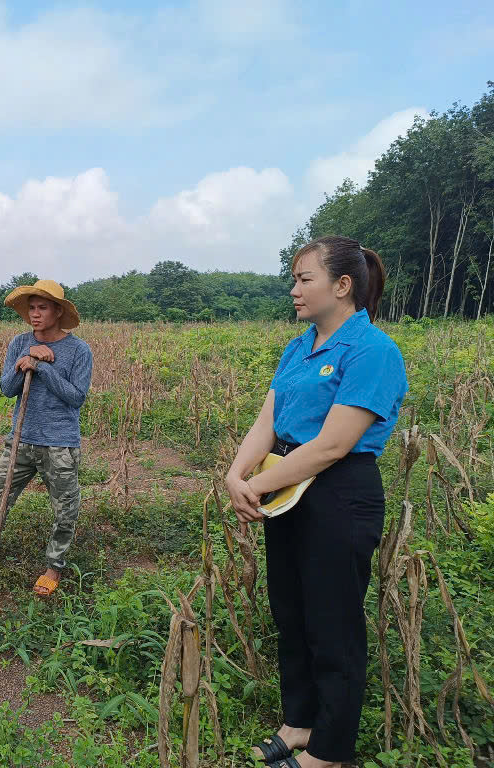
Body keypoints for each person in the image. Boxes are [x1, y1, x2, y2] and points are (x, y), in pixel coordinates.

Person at [225, 237, 408, 768]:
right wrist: (237, 475)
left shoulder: (373, 351)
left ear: (343, 286)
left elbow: (332, 445)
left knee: (333, 623)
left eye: (305, 279)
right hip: (282, 487)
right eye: (294, 278)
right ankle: (299, 721)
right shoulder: (298, 347)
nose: (294, 289)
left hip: (337, 493)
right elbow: (268, 421)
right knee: (292, 610)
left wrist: (256, 486)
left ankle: (331, 750)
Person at [0, 279, 93, 596]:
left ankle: (55, 566)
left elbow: (75, 397)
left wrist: (42, 367)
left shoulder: (79, 350)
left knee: (65, 509)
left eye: (42, 308)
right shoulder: (19, 342)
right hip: (21, 438)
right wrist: (24, 361)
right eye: (31, 308)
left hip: (60, 443)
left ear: (58, 311)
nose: (35, 314)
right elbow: (7, 388)